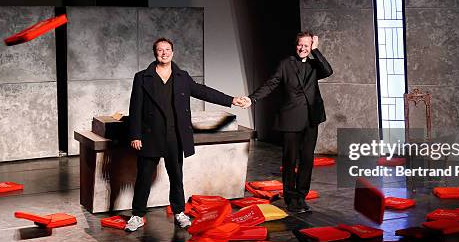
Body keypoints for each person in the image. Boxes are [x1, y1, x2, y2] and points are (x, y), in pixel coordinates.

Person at [125, 37, 247, 231]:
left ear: (173, 53)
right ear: (154, 53)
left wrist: (231, 100)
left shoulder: (182, 77)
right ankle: (137, 215)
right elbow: (135, 107)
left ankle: (179, 212)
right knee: (144, 178)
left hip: (175, 136)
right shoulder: (142, 77)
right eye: (160, 50)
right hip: (150, 136)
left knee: (176, 177)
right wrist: (135, 135)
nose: (164, 53)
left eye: (167, 50)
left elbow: (204, 92)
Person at [242, 31, 333, 212]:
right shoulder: (286, 64)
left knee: (307, 160)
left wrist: (316, 51)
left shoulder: (315, 65)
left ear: (311, 47)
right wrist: (252, 99)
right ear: (296, 44)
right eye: (300, 45)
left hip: (311, 119)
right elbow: (270, 84)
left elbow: (328, 71)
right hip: (291, 118)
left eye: (307, 45)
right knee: (290, 160)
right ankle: (291, 198)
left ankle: (301, 197)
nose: (303, 48)